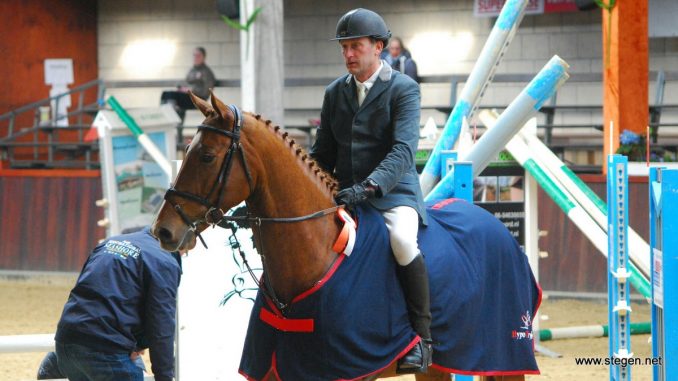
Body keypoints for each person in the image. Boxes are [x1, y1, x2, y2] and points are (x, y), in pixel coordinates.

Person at [309, 8, 432, 374]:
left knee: (402, 241)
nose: (348, 54)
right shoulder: (335, 93)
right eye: (344, 47)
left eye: (355, 46)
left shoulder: (404, 88)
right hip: (346, 193)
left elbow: (403, 151)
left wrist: (369, 187)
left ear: (378, 47)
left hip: (394, 193)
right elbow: (322, 153)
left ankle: (422, 339)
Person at [53, 226, 182, 381]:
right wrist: (165, 376)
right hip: (106, 350)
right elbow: (161, 325)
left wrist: (136, 344)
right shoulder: (165, 261)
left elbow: (88, 290)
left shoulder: (109, 242)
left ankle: (53, 363)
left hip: (66, 340)